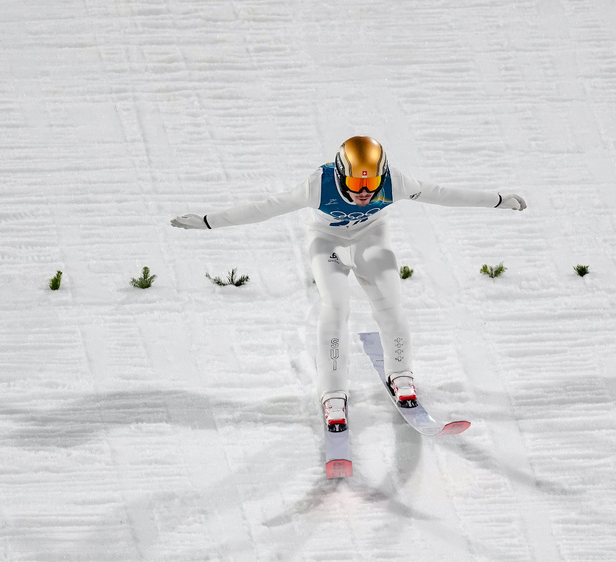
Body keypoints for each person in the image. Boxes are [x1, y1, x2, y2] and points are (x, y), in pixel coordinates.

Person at [171, 136, 526, 431]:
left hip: (371, 236)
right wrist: (207, 221)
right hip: (326, 240)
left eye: (371, 186)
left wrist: (496, 200)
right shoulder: (318, 184)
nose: (364, 194)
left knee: (390, 301)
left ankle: (400, 375)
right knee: (336, 305)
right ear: (341, 174)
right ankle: (333, 394)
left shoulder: (394, 182)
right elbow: (266, 207)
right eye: (356, 185)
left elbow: (441, 193)